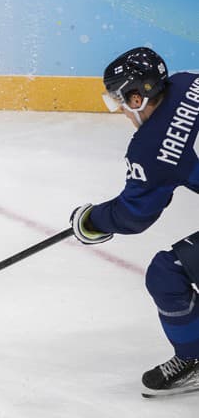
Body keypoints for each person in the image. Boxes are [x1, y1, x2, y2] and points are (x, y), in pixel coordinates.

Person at [70, 47, 199, 396]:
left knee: (166, 273)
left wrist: (92, 220)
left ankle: (194, 357)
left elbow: (133, 216)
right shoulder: (190, 82)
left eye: (121, 102)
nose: (123, 112)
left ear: (138, 96)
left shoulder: (152, 147)